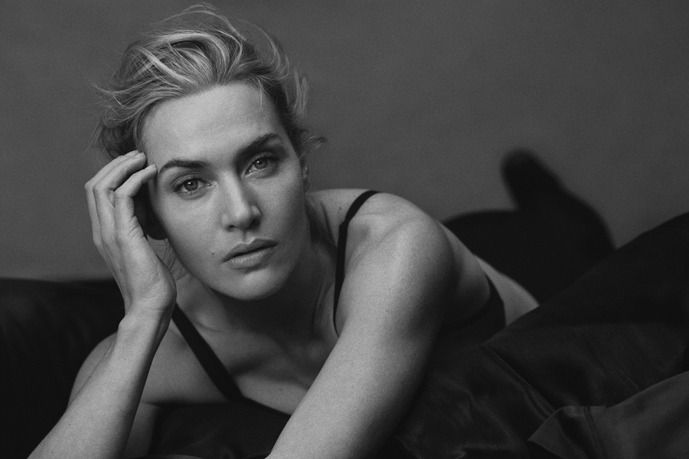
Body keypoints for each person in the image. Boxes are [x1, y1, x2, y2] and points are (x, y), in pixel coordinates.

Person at [30, 6, 537, 459]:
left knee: (545, 233)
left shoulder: (398, 251)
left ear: (302, 163)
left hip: (544, 376)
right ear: (147, 214)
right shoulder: (160, 349)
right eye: (190, 184)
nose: (241, 212)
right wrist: (142, 318)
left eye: (260, 162)